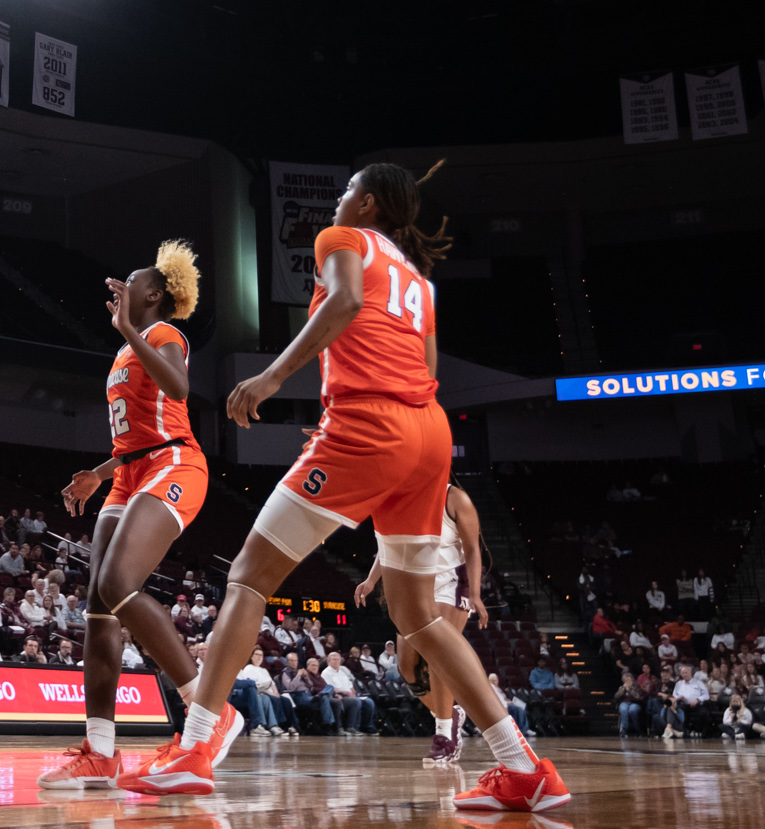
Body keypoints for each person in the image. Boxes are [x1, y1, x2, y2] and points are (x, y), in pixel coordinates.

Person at [120, 163, 568, 810]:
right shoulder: (420, 279)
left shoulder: (342, 240)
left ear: (369, 203)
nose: (337, 199)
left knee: (248, 574)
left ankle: (192, 748)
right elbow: (428, 366)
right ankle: (523, 766)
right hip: (429, 433)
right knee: (419, 617)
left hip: (370, 426)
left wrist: (274, 377)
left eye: (347, 189)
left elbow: (348, 301)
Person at [43, 242, 238, 790]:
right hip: (129, 473)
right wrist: (98, 474)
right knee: (99, 609)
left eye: (130, 282)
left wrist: (129, 329)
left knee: (119, 582)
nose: (120, 288)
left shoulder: (162, 336)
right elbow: (134, 435)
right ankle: (101, 752)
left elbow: (179, 389)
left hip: (174, 464)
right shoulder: (127, 350)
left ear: (153, 294)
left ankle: (206, 706)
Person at [356, 481, 488, 767]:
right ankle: (449, 715)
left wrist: (476, 593)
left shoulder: (455, 498)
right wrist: (371, 579)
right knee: (406, 665)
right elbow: (388, 544)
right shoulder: (403, 495)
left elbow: (473, 549)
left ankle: (444, 737)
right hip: (418, 583)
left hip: (452, 581)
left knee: (437, 655)